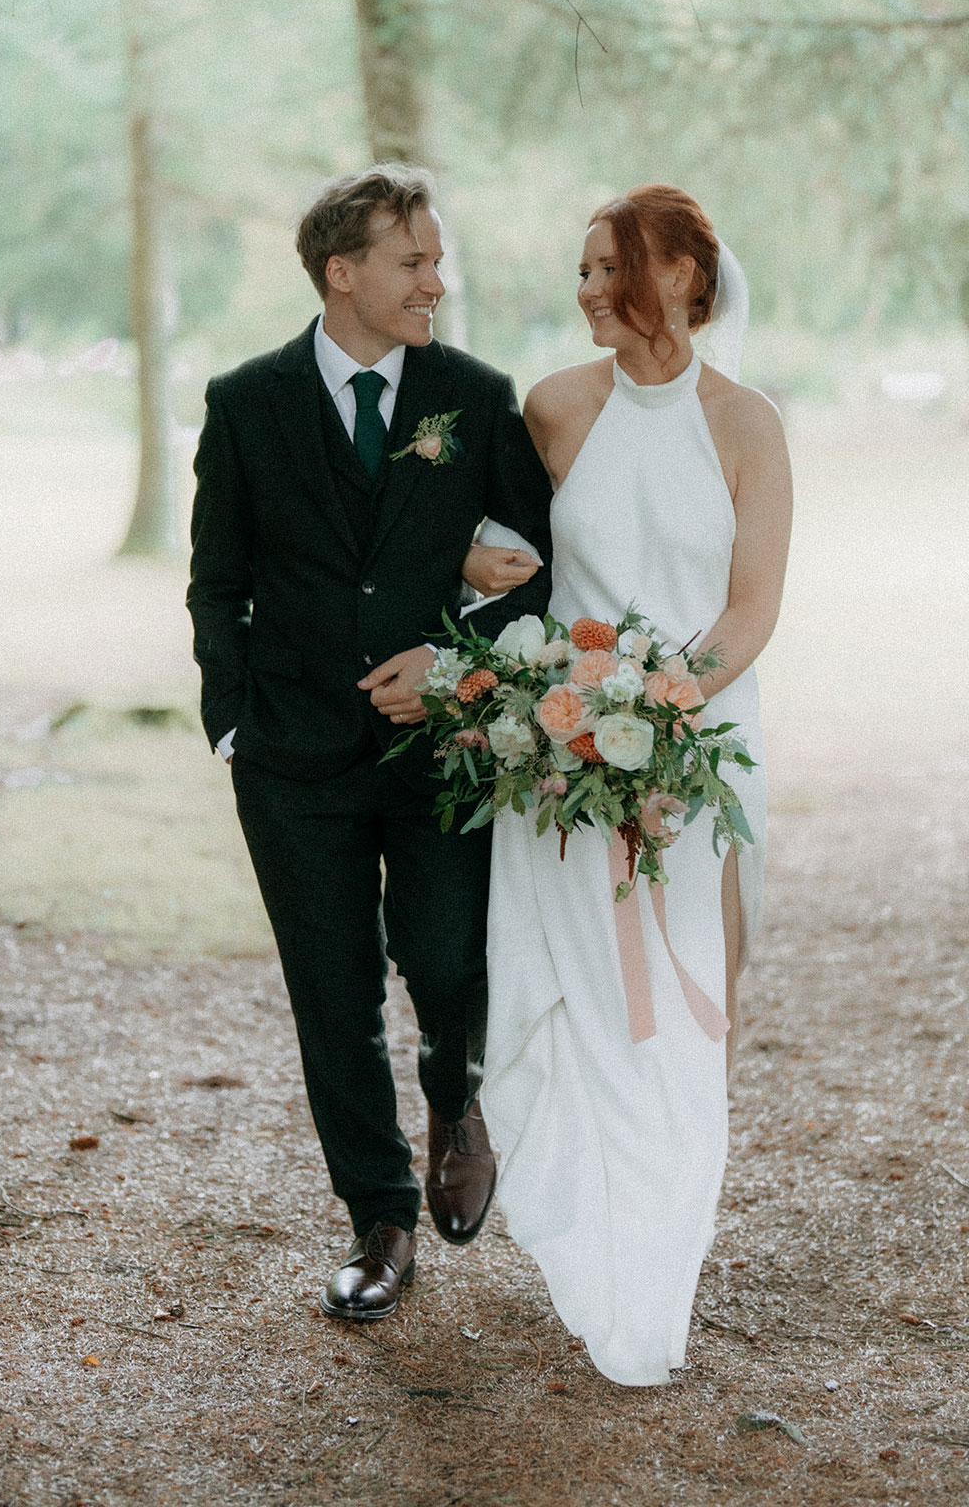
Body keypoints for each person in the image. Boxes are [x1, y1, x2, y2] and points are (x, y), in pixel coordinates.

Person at [187, 165, 552, 1320]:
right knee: (331, 995)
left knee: (445, 955)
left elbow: (536, 564)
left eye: (438, 262)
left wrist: (458, 665)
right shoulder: (245, 402)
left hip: (442, 750)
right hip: (291, 760)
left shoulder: (476, 395)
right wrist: (234, 715)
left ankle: (455, 1088)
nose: (437, 283)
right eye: (415, 262)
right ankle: (380, 1220)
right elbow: (218, 582)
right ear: (343, 273)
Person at [464, 185, 791, 1386]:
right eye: (587, 268)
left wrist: (655, 718)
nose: (591, 288)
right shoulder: (552, 408)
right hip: (557, 760)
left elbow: (751, 609)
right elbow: (493, 557)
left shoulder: (750, 424)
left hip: (697, 757)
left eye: (613, 268)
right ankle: (579, 1234)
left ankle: (655, 1273)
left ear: (685, 279)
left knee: (684, 1011)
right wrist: (580, 714)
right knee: (577, 1001)